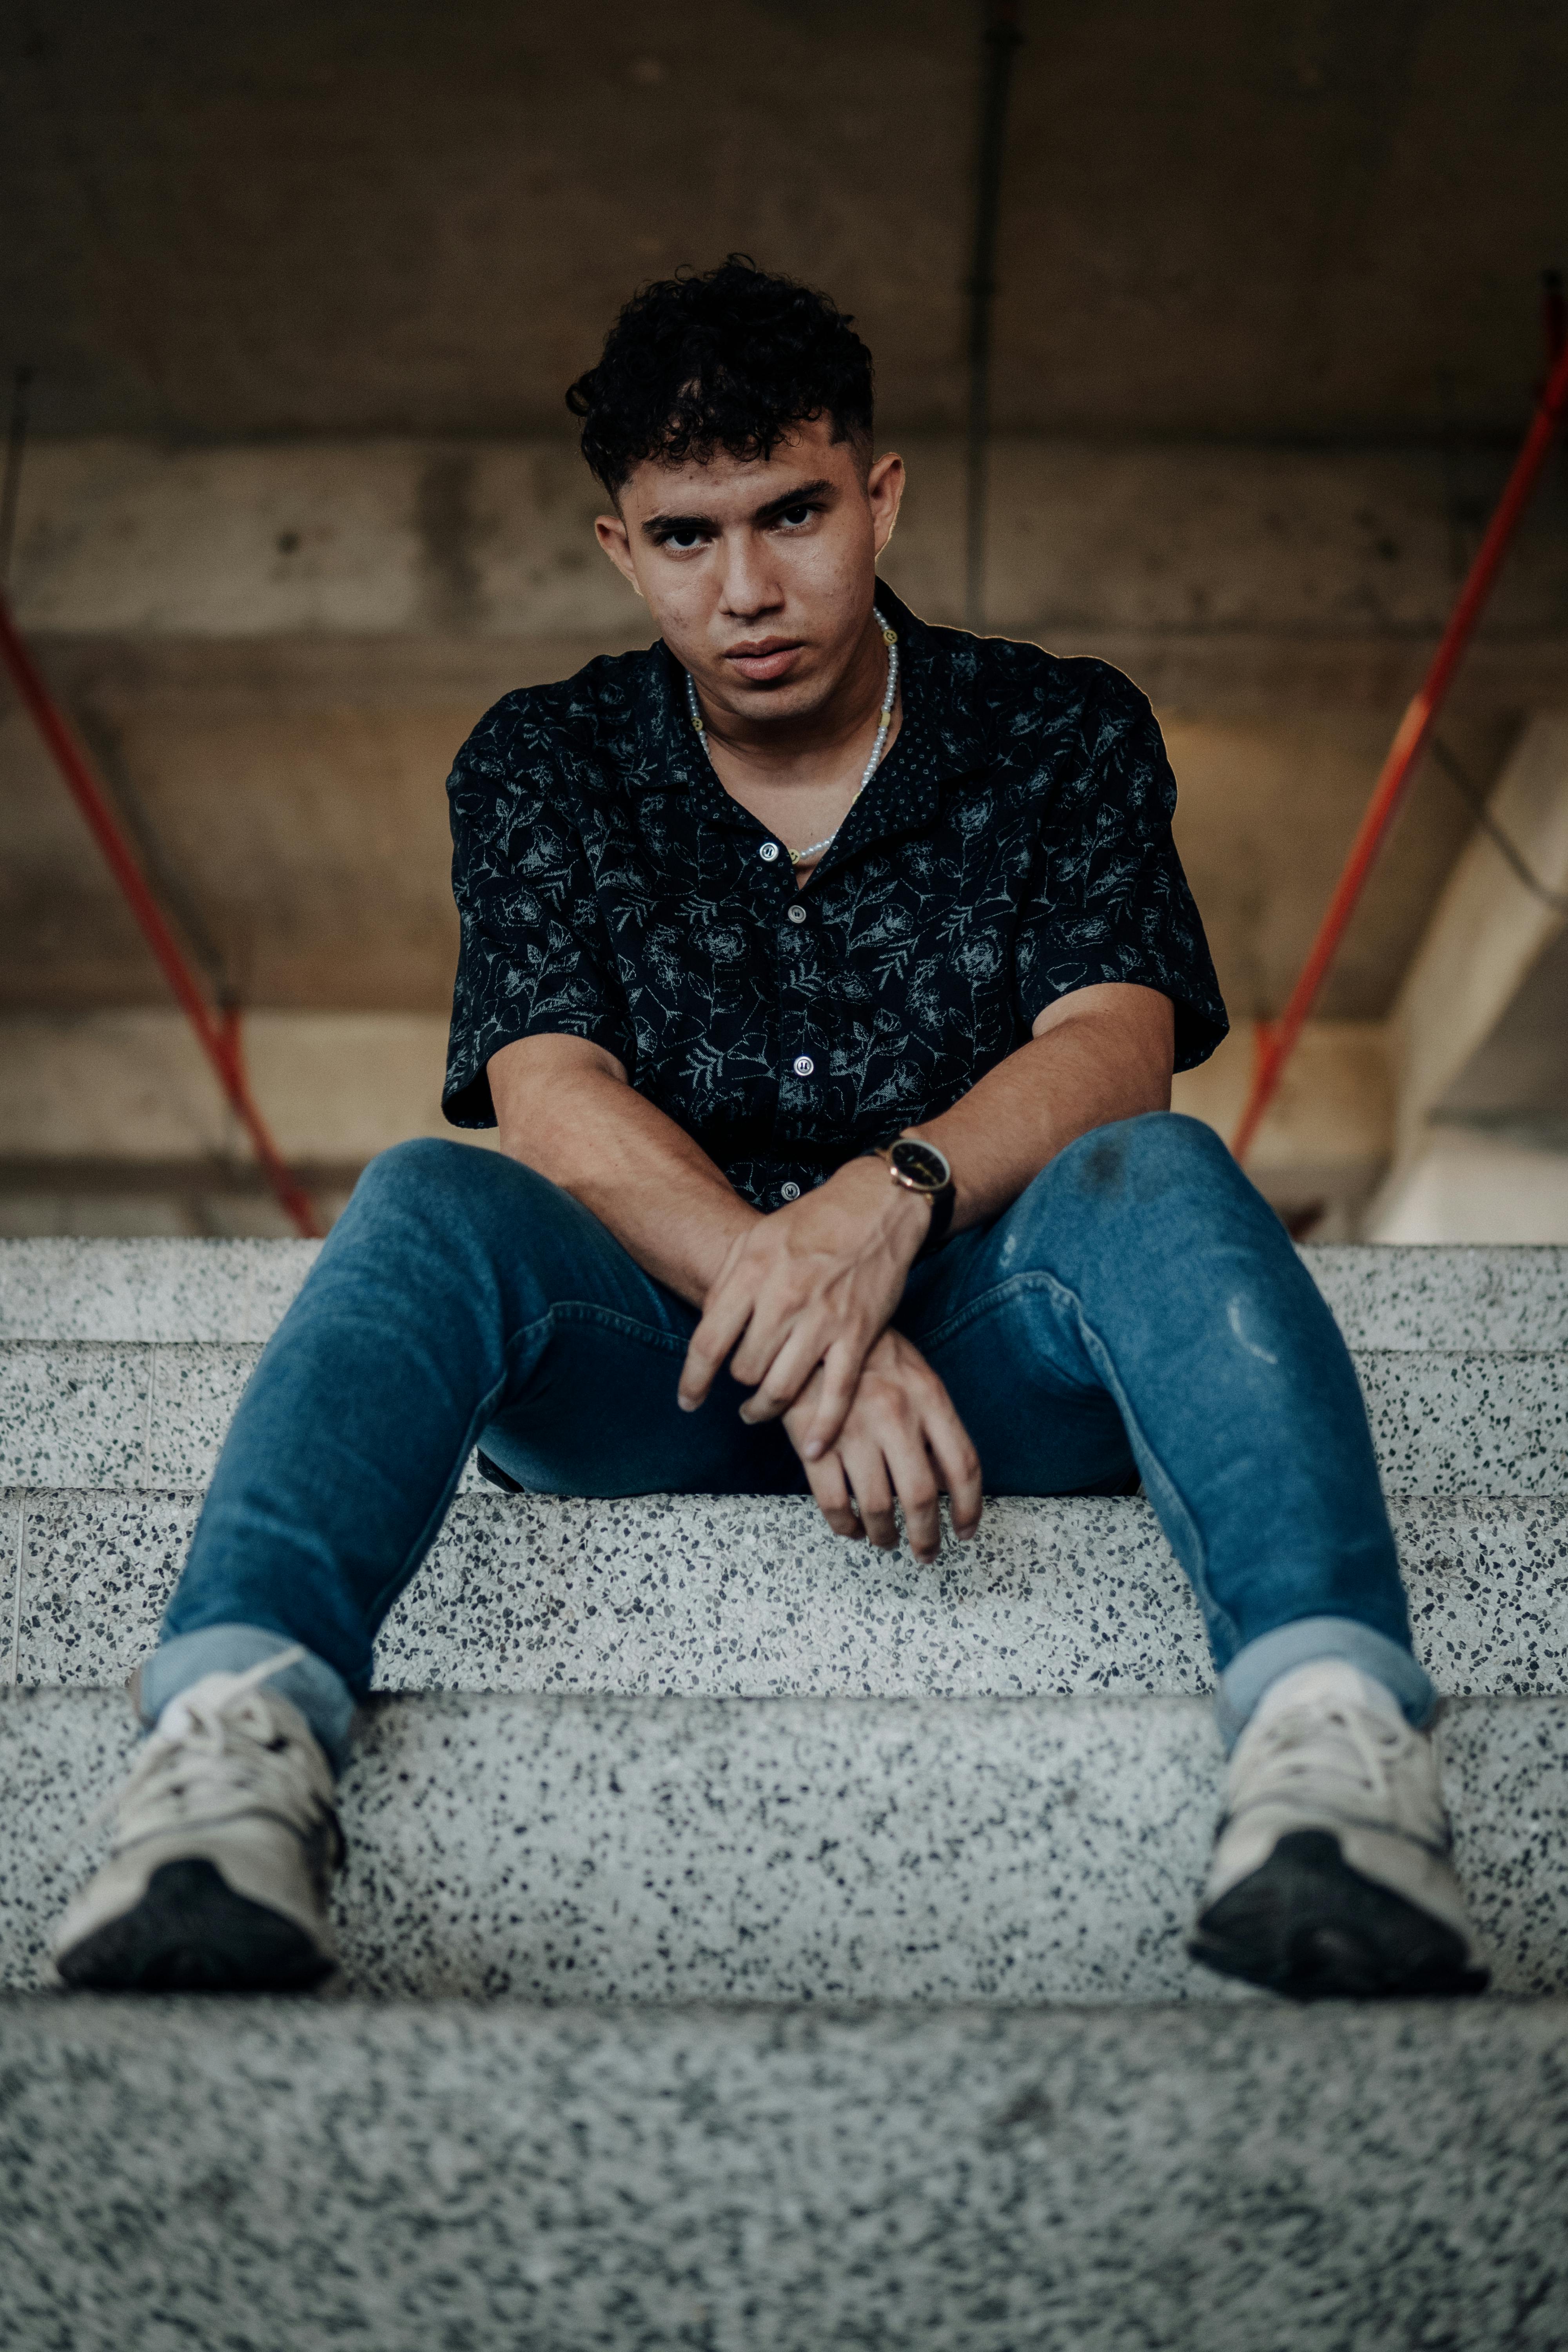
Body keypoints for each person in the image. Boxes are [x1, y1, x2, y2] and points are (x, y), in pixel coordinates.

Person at [53, 259, 1486, 2004]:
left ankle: (1332, 1761)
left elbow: (1116, 1048)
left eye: (794, 513)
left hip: (985, 1341)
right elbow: (551, 1099)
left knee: (1160, 1171)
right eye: (685, 536)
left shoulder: (1059, 730)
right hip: (641, 1358)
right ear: (618, 549)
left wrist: (886, 1215)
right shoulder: (542, 763)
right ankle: (226, 1771)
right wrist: (800, 1304)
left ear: (877, 498)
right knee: (432, 1194)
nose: (746, 587)